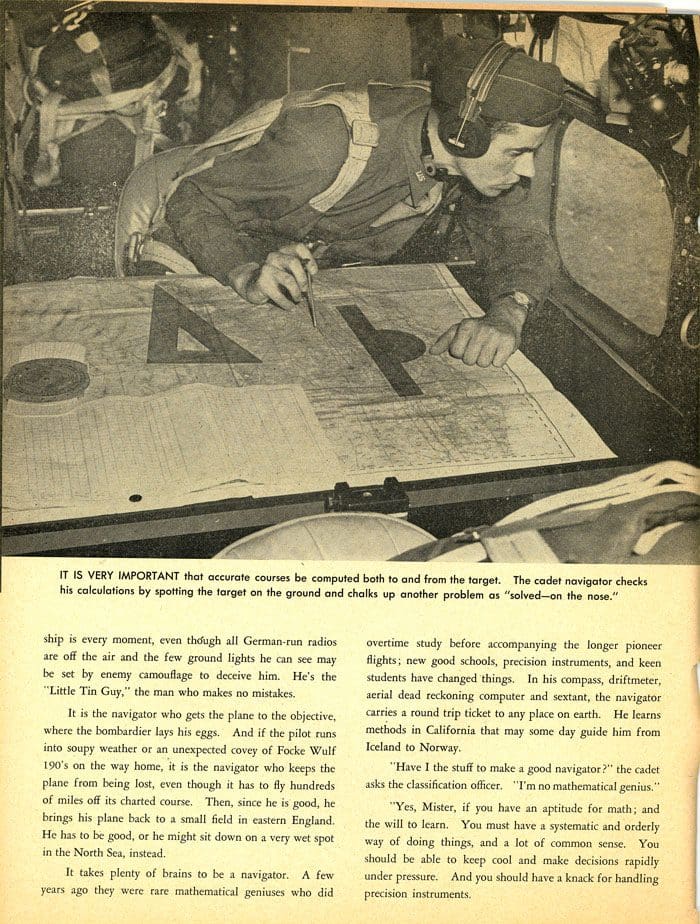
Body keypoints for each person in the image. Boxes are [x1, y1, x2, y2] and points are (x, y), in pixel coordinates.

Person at [164, 36, 566, 368]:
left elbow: (523, 240)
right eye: (516, 153)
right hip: (208, 239)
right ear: (465, 135)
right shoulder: (324, 146)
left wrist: (509, 313)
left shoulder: (465, 162)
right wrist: (244, 271)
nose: (528, 170)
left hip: (308, 264)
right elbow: (193, 197)